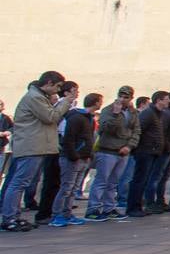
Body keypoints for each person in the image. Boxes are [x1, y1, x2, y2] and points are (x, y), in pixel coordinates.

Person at [3, 72, 75, 232]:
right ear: (49, 83)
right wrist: (66, 102)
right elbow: (51, 117)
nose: (58, 91)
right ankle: (9, 218)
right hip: (31, 147)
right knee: (18, 183)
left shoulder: (39, 97)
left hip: (35, 146)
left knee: (21, 183)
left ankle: (14, 216)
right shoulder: (35, 97)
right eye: (57, 87)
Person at [88, 86, 139, 221]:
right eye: (120, 96)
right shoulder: (108, 110)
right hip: (108, 150)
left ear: (131, 98)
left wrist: (129, 146)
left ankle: (109, 208)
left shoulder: (132, 112)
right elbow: (105, 129)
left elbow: (136, 131)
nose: (122, 99)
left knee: (113, 182)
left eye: (126, 97)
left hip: (123, 151)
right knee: (101, 180)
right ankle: (93, 209)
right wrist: (116, 115)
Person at [33, 80, 79, 225]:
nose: (77, 93)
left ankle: (58, 211)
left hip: (63, 146)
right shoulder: (59, 104)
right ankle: (44, 213)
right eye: (74, 90)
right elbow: (54, 119)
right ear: (66, 92)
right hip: (55, 147)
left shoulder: (71, 106)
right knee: (51, 181)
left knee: (60, 182)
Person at [52, 92, 101, 227]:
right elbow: (69, 138)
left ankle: (67, 213)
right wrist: (74, 155)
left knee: (73, 188)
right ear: (96, 102)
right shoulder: (77, 117)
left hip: (83, 157)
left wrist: (88, 154)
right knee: (66, 187)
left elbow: (89, 138)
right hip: (74, 158)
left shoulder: (89, 118)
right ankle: (57, 214)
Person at [126, 92, 169, 217]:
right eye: (166, 99)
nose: (168, 102)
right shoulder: (148, 114)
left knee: (144, 180)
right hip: (145, 151)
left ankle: (138, 206)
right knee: (139, 180)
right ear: (159, 100)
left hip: (153, 151)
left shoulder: (158, 114)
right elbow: (139, 130)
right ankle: (133, 207)